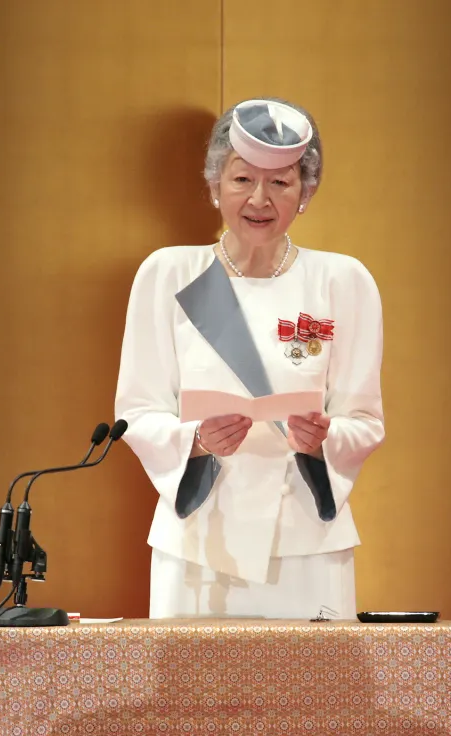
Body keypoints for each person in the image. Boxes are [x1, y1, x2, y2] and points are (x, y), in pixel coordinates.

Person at [115, 97, 386, 619]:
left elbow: (365, 421)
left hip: (306, 544)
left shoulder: (342, 281)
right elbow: (136, 411)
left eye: (280, 183)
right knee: (191, 700)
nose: (259, 199)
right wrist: (193, 439)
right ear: (214, 184)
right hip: (197, 544)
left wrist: (323, 439)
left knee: (310, 700)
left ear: (305, 193)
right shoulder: (170, 274)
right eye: (242, 180)